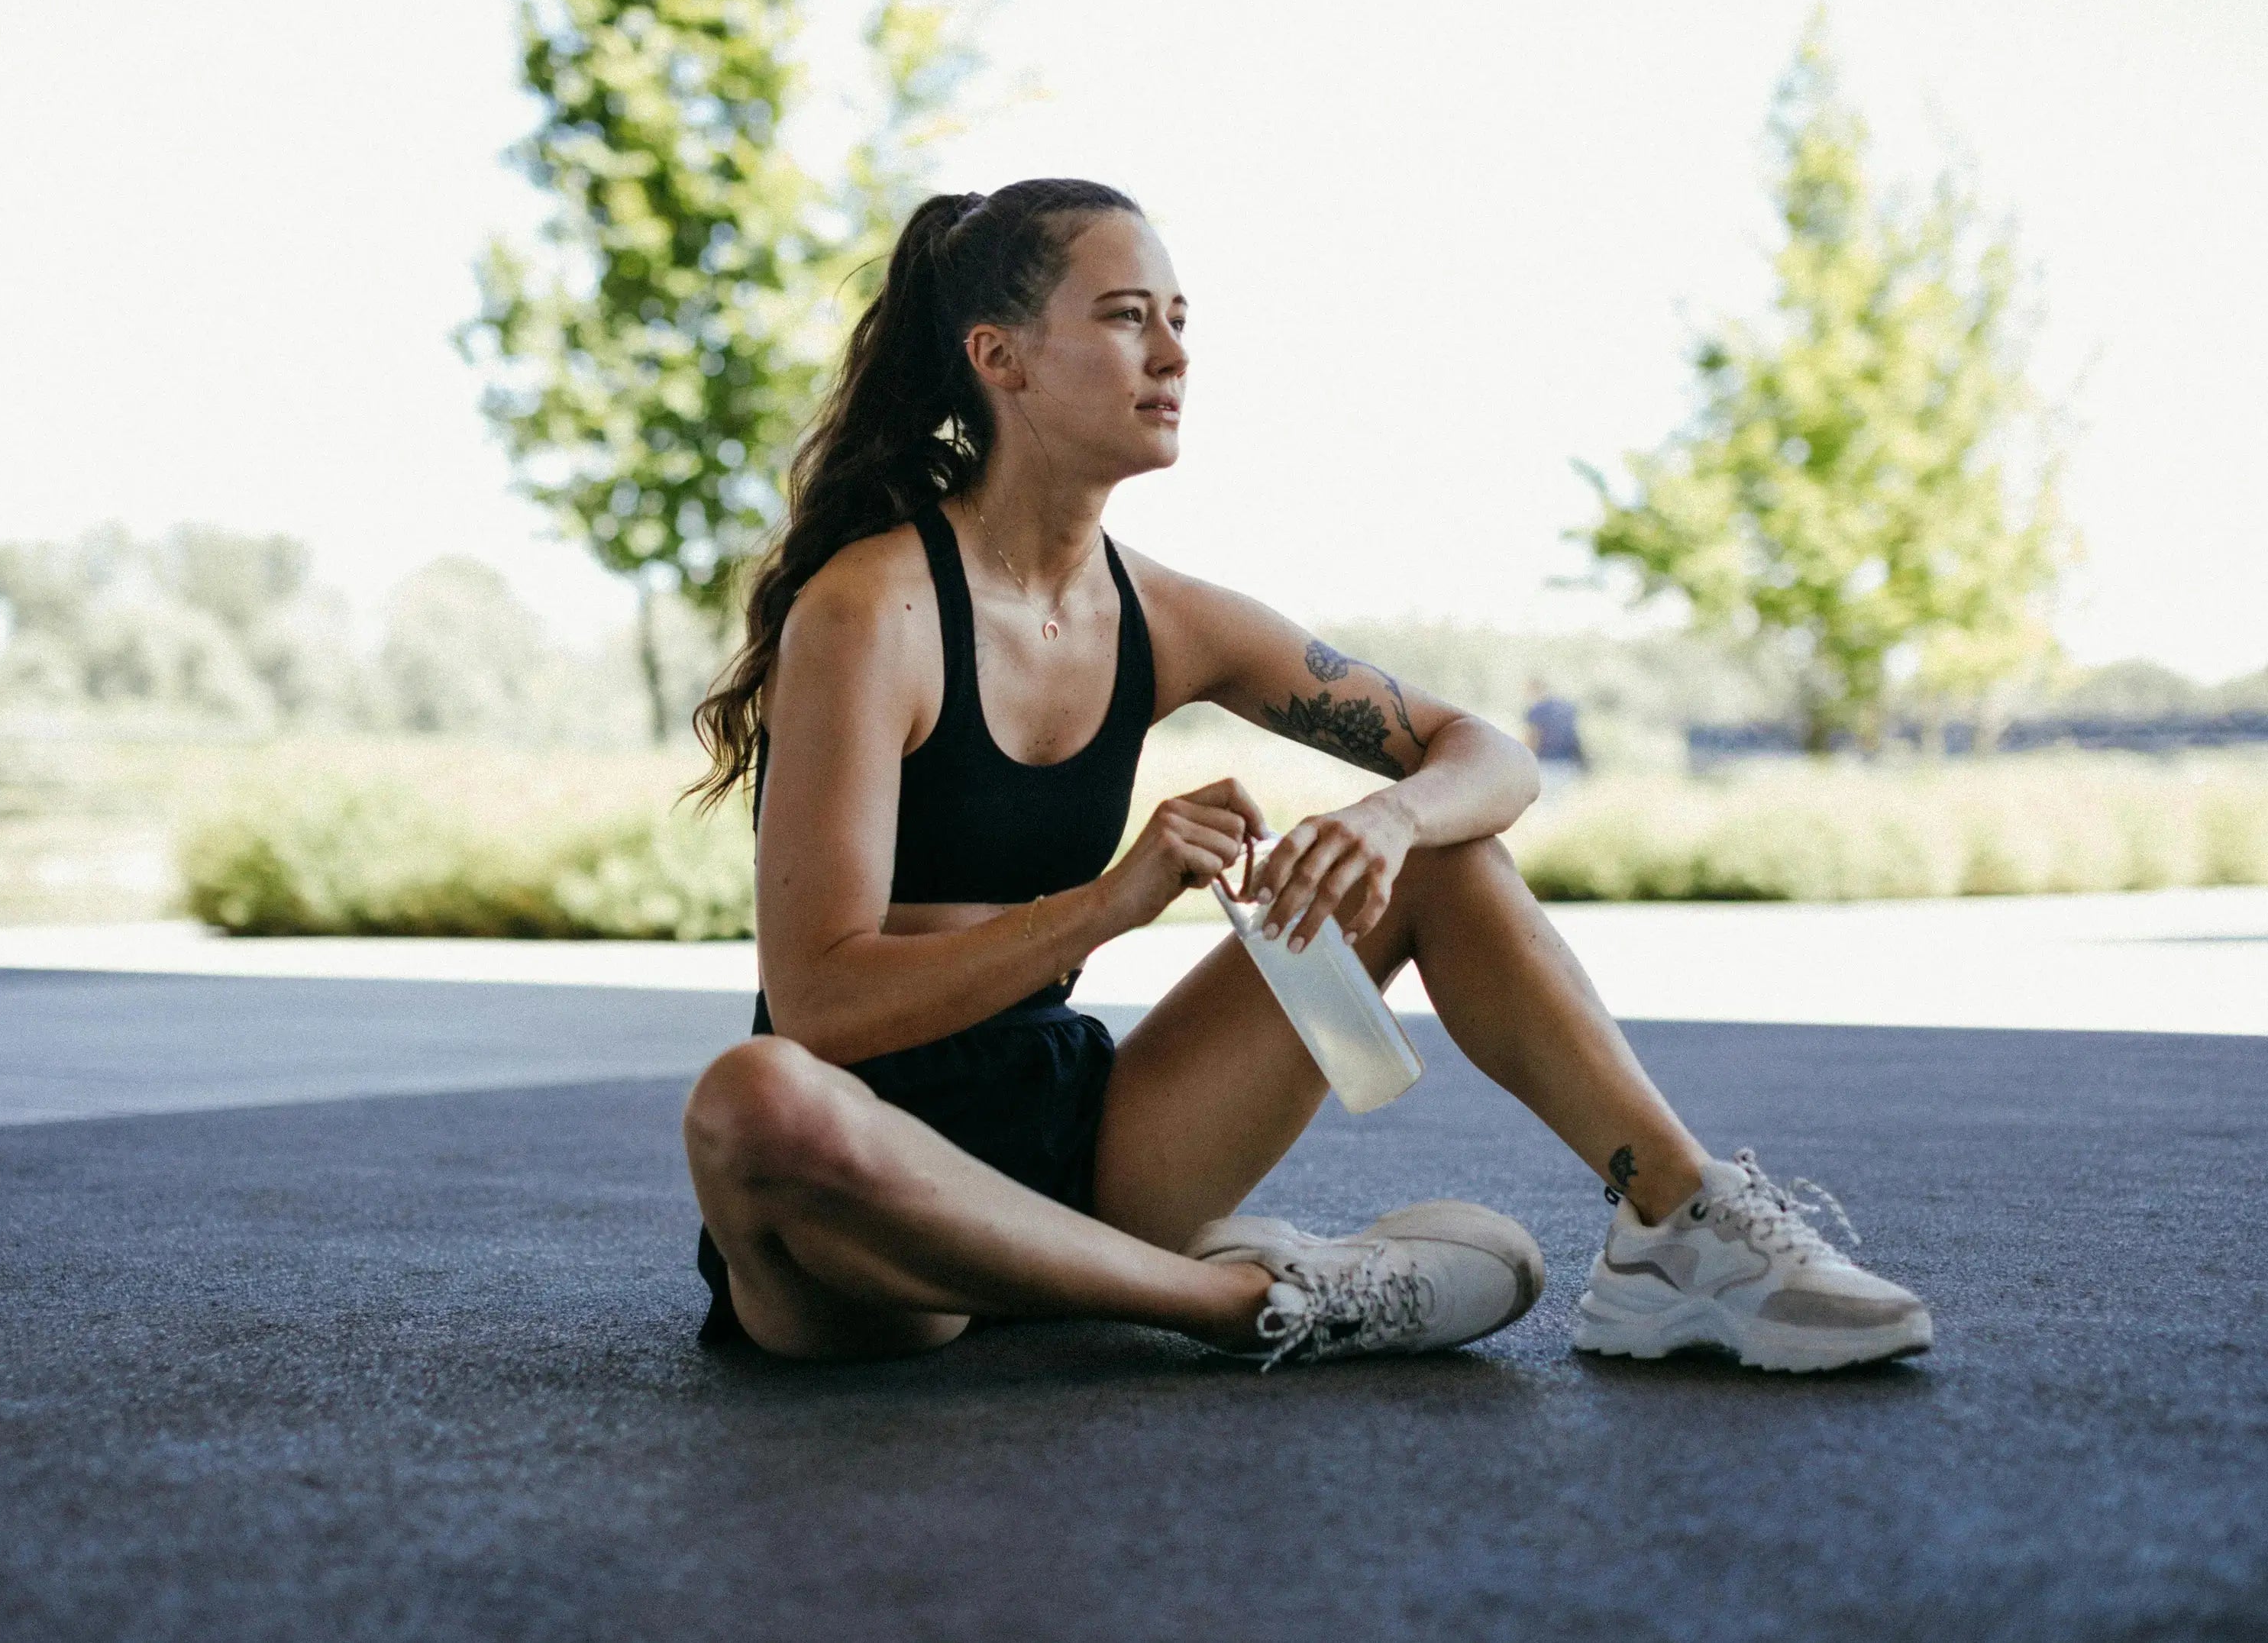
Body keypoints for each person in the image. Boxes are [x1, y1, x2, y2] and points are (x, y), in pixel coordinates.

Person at [680, 179, 1930, 1372]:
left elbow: (1485, 753)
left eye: (1179, 322)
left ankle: (1676, 1228)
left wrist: (1387, 821)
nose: (1171, 355)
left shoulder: (1166, 617)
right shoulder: (871, 612)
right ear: (997, 357)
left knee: (1440, 849)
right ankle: (1237, 1299)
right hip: (864, 1197)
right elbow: (820, 1004)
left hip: (1085, 1138)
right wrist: (1114, 903)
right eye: (1125, 320)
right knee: (751, 1100)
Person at [1523, 679, 1587, 797]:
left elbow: (1532, 737)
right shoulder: (1566, 708)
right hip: (1569, 764)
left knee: (1547, 808)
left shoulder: (1536, 711)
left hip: (1546, 766)